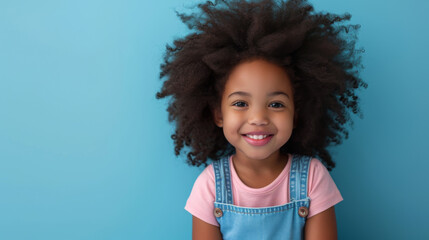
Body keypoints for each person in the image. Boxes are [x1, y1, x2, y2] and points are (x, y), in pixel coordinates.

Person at [156, 0, 367, 239]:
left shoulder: (312, 178)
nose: (258, 118)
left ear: (296, 114)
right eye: (240, 103)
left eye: (276, 104)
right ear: (218, 114)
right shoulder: (210, 186)